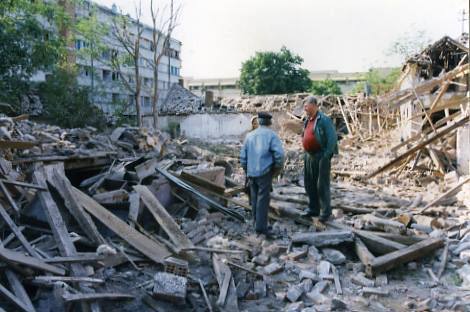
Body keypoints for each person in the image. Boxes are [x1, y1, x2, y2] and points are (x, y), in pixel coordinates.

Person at [240, 112, 284, 235]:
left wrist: (247, 169)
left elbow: (243, 157)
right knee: (263, 200)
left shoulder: (249, 136)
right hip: (265, 172)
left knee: (254, 199)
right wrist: (276, 169)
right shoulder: (272, 136)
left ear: (259, 122)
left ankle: (255, 223)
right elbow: (280, 156)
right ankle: (261, 227)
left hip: (251, 173)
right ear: (269, 123)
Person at [302, 96, 338, 223]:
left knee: (321, 185)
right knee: (309, 183)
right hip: (309, 156)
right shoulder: (308, 120)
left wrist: (326, 155)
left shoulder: (324, 120)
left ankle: (325, 212)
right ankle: (313, 209)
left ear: (314, 105)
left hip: (320, 155)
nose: (304, 108)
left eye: (306, 105)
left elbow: (332, 138)